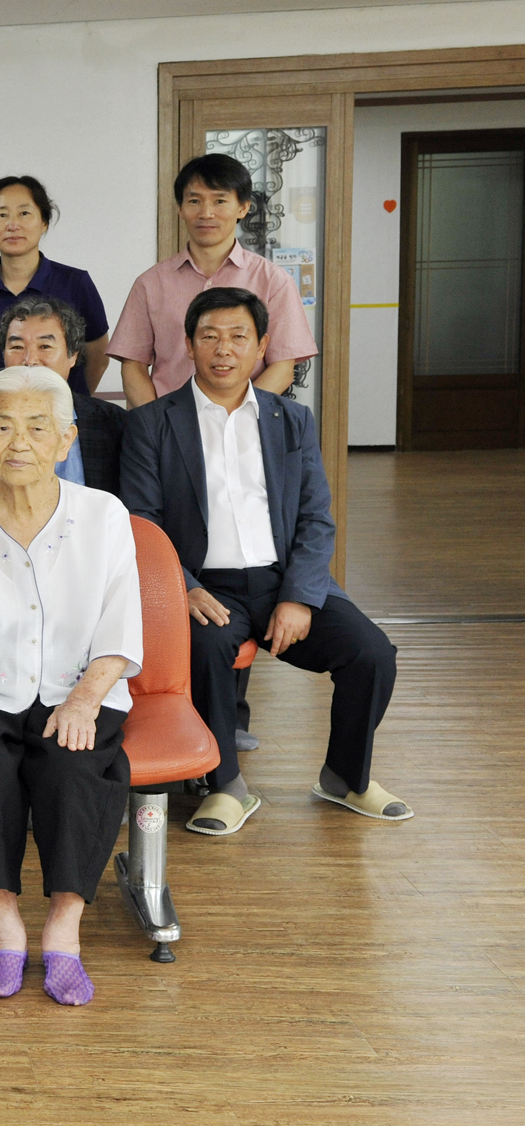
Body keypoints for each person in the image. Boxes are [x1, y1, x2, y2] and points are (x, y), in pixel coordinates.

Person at [122, 287, 406, 834]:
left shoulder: (291, 420)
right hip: (206, 587)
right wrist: (183, 586)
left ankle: (346, 777)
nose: (223, 349)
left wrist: (299, 596)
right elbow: (141, 521)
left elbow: (316, 518)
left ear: (262, 347)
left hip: (284, 581)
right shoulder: (151, 423)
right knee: (203, 649)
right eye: (209, 336)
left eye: (238, 336)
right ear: (188, 345)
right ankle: (225, 786)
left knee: (371, 654)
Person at [0, 366, 144, 1007]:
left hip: (79, 682)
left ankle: (64, 929)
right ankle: (5, 926)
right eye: (3, 427)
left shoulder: (103, 514)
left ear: (66, 439)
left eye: (37, 428)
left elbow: (121, 621)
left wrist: (85, 698)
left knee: (75, 766)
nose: (18, 442)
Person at [108, 153, 316, 407]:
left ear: (243, 208)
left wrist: (235, 418)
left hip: (246, 423)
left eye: (220, 201)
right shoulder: (150, 284)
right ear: (180, 208)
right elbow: (133, 366)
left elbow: (282, 367)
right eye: (194, 201)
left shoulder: (273, 281)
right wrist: (157, 422)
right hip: (169, 423)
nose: (206, 213)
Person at [0, 176, 110, 402]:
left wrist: (75, 400)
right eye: (2, 215)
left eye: (24, 213)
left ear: (44, 222)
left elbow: (98, 357)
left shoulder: (75, 283)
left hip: (65, 412)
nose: (13, 225)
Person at [0, 297, 126, 496]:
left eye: (45, 347)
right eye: (17, 347)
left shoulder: (112, 421)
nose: (30, 360)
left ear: (73, 356)